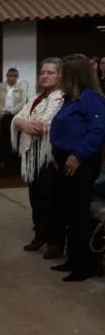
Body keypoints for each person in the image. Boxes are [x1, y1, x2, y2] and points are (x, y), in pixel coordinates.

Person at [49, 54, 105, 282]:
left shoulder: (92, 98)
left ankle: (85, 265)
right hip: (65, 160)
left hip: (80, 162)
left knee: (81, 214)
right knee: (69, 212)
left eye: (62, 72)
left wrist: (77, 156)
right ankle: (73, 258)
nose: (59, 76)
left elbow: (98, 131)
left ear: (73, 74)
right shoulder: (72, 99)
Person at [11, 58, 65, 258]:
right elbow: (18, 118)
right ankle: (39, 234)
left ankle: (55, 241)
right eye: (42, 72)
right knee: (36, 197)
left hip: (49, 156)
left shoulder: (61, 98)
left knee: (52, 199)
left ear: (60, 75)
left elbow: (45, 125)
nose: (44, 76)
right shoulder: (37, 98)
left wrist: (25, 124)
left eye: (50, 72)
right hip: (32, 155)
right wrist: (24, 124)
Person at [0, 67, 28, 174]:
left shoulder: (21, 86)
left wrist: (12, 111)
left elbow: (23, 102)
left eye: (15, 76)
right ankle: (2, 165)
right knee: (2, 141)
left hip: (15, 117)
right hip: (2, 118)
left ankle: (14, 166)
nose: (12, 78)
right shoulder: (0, 86)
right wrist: (3, 111)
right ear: (7, 76)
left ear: (17, 77)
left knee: (15, 141)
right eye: (10, 76)